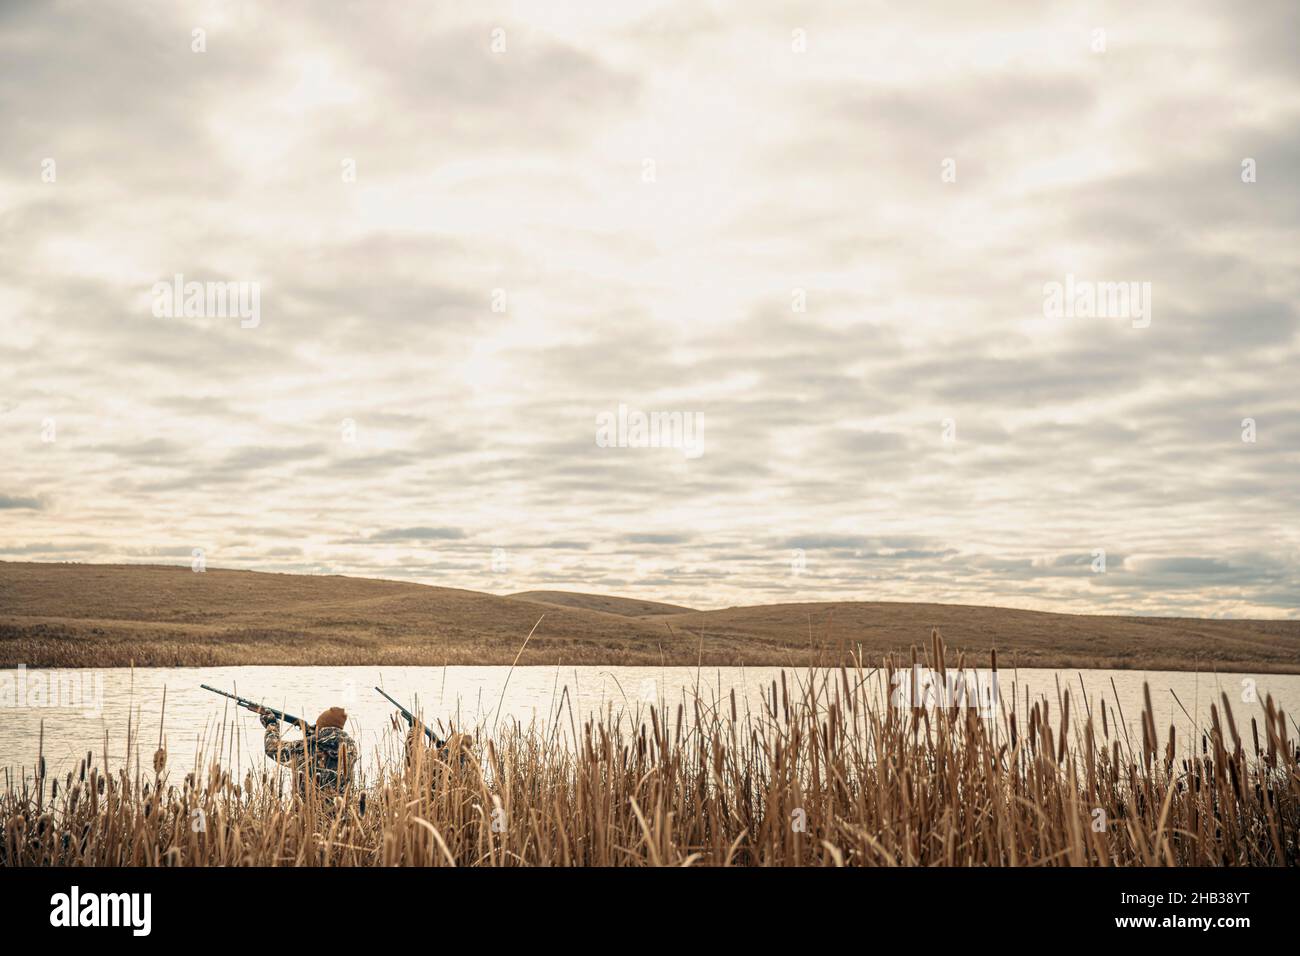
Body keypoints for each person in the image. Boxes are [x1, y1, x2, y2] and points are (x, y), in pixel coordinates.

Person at [261, 706, 358, 798]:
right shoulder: (351, 747)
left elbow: (272, 749)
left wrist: (271, 724)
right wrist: (312, 734)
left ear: (321, 726)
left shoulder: (311, 744)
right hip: (340, 807)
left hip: (309, 809)